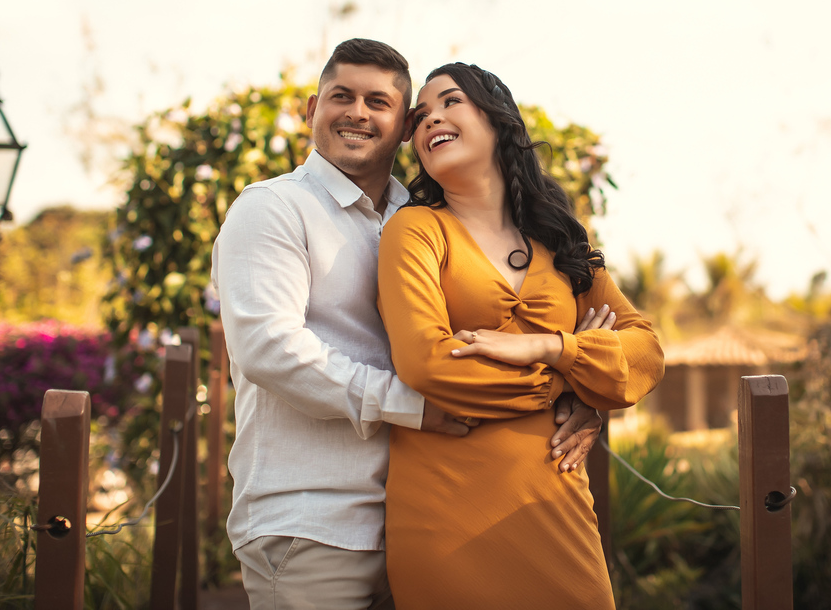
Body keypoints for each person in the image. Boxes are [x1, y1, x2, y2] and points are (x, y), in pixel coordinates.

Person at [211, 40, 602, 610]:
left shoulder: (422, 221)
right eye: (340, 96)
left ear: (404, 127)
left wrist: (582, 389)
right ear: (311, 110)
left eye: (379, 102)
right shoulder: (272, 208)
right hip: (312, 521)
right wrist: (418, 404)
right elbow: (269, 349)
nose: (358, 113)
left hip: (418, 519)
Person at [377, 62, 665, 609]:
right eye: (419, 115)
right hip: (446, 512)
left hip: (555, 502)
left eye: (450, 101)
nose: (430, 118)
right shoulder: (413, 231)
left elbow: (646, 350)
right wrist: (570, 385)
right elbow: (427, 365)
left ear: (496, 118)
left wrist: (556, 346)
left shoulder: (560, 240)